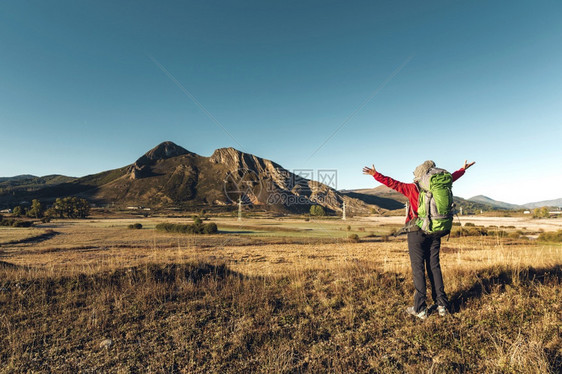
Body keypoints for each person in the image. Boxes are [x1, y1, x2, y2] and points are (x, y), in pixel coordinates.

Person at [362, 160, 475, 320]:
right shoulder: (437, 185)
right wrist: (463, 169)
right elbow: (452, 177)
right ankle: (442, 305)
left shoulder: (412, 188)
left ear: (419, 174)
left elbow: (393, 184)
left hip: (416, 231)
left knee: (418, 269)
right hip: (435, 229)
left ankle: (420, 308)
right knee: (434, 266)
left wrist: (375, 174)